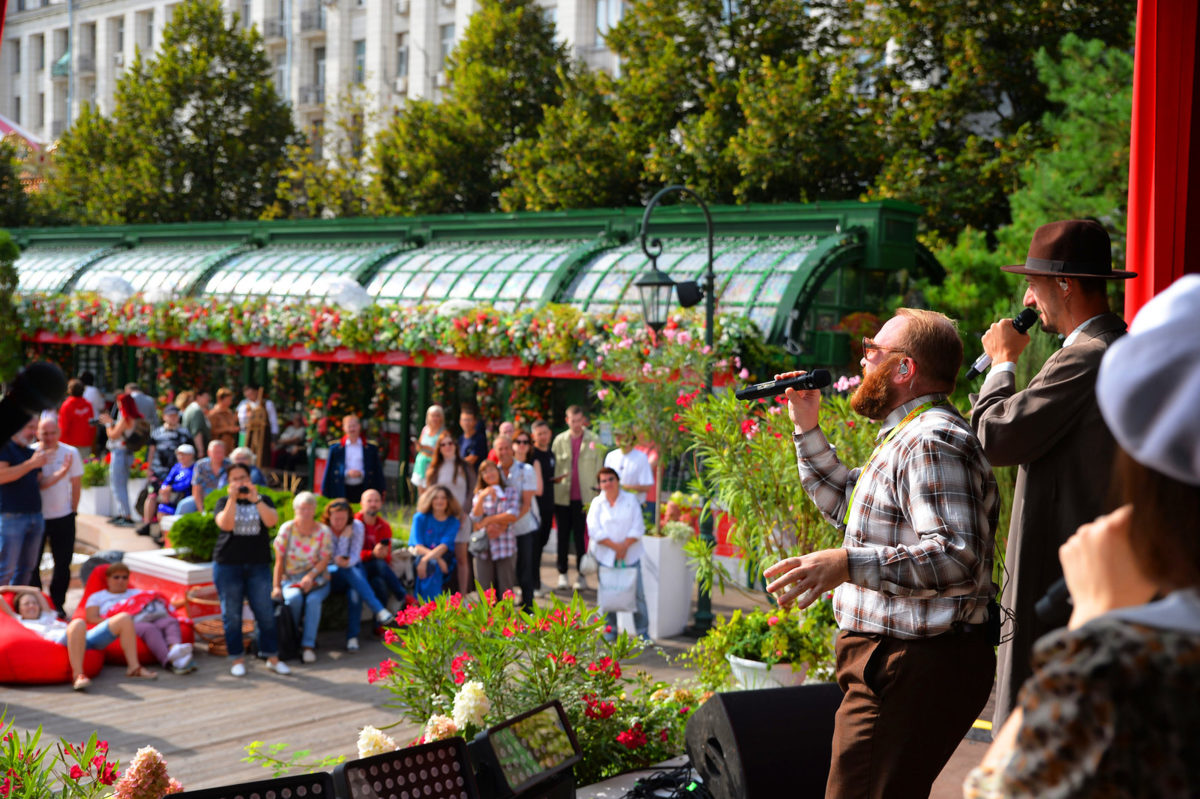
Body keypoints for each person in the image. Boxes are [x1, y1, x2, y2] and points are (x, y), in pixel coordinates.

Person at [965, 274, 1200, 798]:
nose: (1026, 299)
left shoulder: (1127, 661)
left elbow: (1000, 789)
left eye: (1033, 284)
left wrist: (1091, 630)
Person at [764, 308, 998, 799]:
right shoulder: (909, 433)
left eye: (873, 349)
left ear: (904, 368)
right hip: (899, 661)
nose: (864, 358)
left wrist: (847, 563)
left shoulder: (931, 439)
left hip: (909, 663)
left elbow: (956, 555)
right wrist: (807, 425)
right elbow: (850, 506)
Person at [969, 219, 1133, 726]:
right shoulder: (1112, 348)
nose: (1027, 297)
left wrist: (1001, 363)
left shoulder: (1087, 357)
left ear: (1064, 284)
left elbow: (994, 437)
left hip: (1058, 578)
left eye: (1034, 283)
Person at [213, 462, 290, 676]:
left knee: (265, 612)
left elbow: (271, 521)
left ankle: (272, 656)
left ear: (250, 479)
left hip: (258, 565)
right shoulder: (222, 501)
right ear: (229, 483)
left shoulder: (263, 499)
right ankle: (237, 658)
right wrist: (232, 499)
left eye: (243, 478)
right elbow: (226, 525)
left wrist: (255, 499)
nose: (239, 482)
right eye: (234, 479)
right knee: (232, 614)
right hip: (228, 565)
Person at [2, 585, 153, 690]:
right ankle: (78, 675)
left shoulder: (48, 614)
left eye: (34, 603)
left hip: (84, 638)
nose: (31, 606)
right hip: (62, 642)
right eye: (26, 604)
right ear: (19, 608)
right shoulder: (18, 619)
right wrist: (7, 590)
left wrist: (17, 589)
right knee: (78, 623)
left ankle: (134, 668)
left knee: (124, 618)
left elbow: (36, 590)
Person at [84, 561, 195, 674]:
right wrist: (118, 621)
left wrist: (187, 600)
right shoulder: (97, 597)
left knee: (169, 621)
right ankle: (169, 662)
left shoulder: (137, 592)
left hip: (148, 617)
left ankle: (175, 648)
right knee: (148, 628)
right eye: (116, 577)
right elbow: (91, 618)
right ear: (107, 579)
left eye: (124, 577)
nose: (120, 581)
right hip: (127, 623)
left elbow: (166, 605)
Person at [323, 498, 394, 651]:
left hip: (352, 571)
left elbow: (354, 556)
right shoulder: (324, 529)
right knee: (349, 570)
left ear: (349, 517)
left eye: (343, 519)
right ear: (329, 517)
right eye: (336, 519)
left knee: (355, 592)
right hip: (332, 575)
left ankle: (352, 638)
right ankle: (379, 610)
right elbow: (330, 560)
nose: (339, 522)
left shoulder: (357, 526)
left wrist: (342, 560)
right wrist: (343, 539)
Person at [588, 467, 649, 642]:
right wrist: (616, 548)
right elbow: (594, 530)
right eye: (603, 481)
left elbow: (638, 527)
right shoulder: (597, 504)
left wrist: (624, 547)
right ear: (599, 484)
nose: (607, 483)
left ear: (618, 480)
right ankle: (610, 630)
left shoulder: (631, 500)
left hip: (631, 555)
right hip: (606, 557)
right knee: (608, 595)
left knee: (638, 596)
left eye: (611, 479)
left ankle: (643, 632)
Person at [271, 492, 333, 665]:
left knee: (313, 601)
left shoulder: (323, 531)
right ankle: (293, 636)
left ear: (314, 510)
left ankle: (308, 646)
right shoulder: (287, 529)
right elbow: (279, 561)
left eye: (309, 508)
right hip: (291, 578)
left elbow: (325, 559)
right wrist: (276, 586)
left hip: (318, 579)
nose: (305, 512)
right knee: (293, 599)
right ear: (295, 509)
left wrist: (310, 576)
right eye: (302, 508)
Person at [551, 406, 605, 591]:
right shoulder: (559, 441)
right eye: (573, 421)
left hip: (586, 498)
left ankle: (582, 575)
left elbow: (600, 470)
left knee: (583, 538)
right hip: (562, 497)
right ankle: (562, 573)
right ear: (567, 420)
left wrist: (599, 495)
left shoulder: (594, 440)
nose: (576, 424)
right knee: (562, 537)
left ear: (584, 420)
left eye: (579, 420)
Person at [32, 417, 82, 613]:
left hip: (63, 516)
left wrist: (74, 509)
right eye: (45, 433)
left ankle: (57, 603)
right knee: (32, 564)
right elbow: (37, 484)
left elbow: (76, 484)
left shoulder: (70, 452)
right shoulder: (32, 452)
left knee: (63, 563)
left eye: (53, 433)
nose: (49, 437)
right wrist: (61, 472)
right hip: (37, 517)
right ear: (38, 433)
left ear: (59, 433)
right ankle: (35, 602)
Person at [424, 431, 474, 595]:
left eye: (450, 443)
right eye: (443, 444)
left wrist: (464, 512)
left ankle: (463, 595)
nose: (447, 447)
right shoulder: (434, 468)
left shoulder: (464, 467)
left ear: (455, 446)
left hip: (460, 518)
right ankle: (435, 595)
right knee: (438, 555)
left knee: (461, 558)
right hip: (440, 518)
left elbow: (471, 491)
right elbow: (429, 494)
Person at [0, 418, 48, 586]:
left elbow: (39, 482)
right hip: (11, 516)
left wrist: (63, 472)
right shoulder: (5, 448)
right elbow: (2, 476)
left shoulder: (30, 452)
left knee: (27, 569)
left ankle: (16, 607)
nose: (34, 432)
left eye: (35, 428)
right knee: (5, 569)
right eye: (29, 427)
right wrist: (31, 464)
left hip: (35, 515)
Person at [495, 433, 538, 611]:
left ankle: (528, 608)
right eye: (500, 449)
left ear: (512, 448)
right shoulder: (492, 471)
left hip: (523, 528)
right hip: (500, 532)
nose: (504, 452)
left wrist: (506, 523)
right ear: (495, 451)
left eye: (507, 448)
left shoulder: (526, 470)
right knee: (503, 572)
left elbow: (526, 504)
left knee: (525, 569)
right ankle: (502, 608)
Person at [140, 404, 193, 535]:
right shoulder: (157, 433)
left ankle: (164, 530)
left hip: (177, 474)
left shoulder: (184, 433)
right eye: (170, 415)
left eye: (175, 416)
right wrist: (149, 468)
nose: (173, 418)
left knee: (172, 499)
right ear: (164, 417)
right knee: (152, 496)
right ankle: (147, 524)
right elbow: (151, 451)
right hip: (159, 471)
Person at [469, 460, 519, 596]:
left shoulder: (510, 491)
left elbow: (512, 515)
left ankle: (506, 617)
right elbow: (476, 520)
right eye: (485, 472)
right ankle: (487, 618)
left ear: (498, 471)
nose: (489, 474)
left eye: (491, 470)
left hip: (505, 545)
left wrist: (489, 520)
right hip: (484, 547)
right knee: (485, 592)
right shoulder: (480, 494)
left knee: (506, 590)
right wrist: (482, 497)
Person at [409, 485, 461, 601]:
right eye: (436, 498)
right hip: (423, 557)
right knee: (432, 564)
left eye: (443, 498)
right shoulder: (420, 518)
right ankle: (427, 607)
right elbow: (417, 545)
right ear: (430, 500)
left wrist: (428, 559)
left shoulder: (453, 521)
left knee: (432, 565)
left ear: (448, 501)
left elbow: (444, 546)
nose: (440, 501)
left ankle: (430, 608)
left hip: (445, 559)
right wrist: (430, 559)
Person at [356, 488, 407, 607]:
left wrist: (382, 554)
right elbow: (351, 555)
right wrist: (371, 554)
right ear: (361, 504)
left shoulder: (384, 526)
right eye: (369, 501)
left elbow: (387, 558)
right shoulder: (354, 524)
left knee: (379, 583)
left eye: (376, 501)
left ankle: (380, 624)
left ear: (381, 503)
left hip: (376, 568)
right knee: (378, 564)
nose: (373, 504)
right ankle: (402, 596)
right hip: (357, 567)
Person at [100, 392, 143, 526]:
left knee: (118, 485)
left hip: (120, 453)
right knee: (120, 484)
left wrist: (108, 424)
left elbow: (113, 435)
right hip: (125, 453)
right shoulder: (131, 417)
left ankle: (126, 515)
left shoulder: (125, 418)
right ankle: (122, 513)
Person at [320, 415, 384, 504]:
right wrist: (346, 473)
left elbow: (377, 470)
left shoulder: (370, 448)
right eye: (349, 426)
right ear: (344, 428)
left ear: (359, 426)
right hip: (342, 487)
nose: (352, 429)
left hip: (364, 486)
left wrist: (361, 473)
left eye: (354, 426)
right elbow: (329, 470)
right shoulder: (336, 448)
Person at [527, 420, 556, 597]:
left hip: (549, 504)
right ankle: (534, 584)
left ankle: (536, 581)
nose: (543, 436)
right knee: (535, 546)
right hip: (536, 507)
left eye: (545, 433)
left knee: (542, 543)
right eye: (539, 434)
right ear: (533, 436)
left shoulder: (550, 454)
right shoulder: (533, 455)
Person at [604, 430, 655, 512]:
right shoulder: (611, 456)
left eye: (621, 435)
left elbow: (646, 487)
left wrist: (622, 487)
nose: (617, 438)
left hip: (635, 507)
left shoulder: (641, 457)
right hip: (613, 506)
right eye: (616, 435)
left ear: (630, 437)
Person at [176, 439, 229, 516]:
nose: (218, 455)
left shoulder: (230, 466)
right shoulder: (201, 465)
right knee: (184, 505)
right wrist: (202, 511)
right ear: (209, 453)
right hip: (202, 499)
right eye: (215, 452)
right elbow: (196, 490)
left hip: (222, 501)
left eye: (220, 452)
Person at [238, 384, 277, 469]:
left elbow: (273, 422)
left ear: (257, 392)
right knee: (248, 456)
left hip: (264, 434)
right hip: (250, 434)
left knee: (264, 457)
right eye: (247, 393)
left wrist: (273, 439)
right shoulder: (244, 406)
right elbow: (242, 425)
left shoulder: (267, 404)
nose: (249, 395)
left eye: (251, 393)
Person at [154, 444, 195, 517]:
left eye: (183, 455)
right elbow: (167, 480)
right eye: (179, 455)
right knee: (161, 508)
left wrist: (171, 488)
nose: (181, 457)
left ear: (191, 455)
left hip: (186, 500)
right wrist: (164, 489)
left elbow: (187, 484)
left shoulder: (195, 468)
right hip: (172, 499)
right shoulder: (177, 467)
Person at [411, 405, 445, 491]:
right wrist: (418, 445)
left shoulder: (443, 433)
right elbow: (419, 449)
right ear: (428, 417)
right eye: (432, 416)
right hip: (421, 464)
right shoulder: (425, 429)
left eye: (437, 416)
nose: (435, 418)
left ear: (441, 417)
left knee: (431, 492)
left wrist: (429, 448)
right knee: (421, 493)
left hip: (433, 465)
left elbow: (444, 452)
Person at [58, 379, 97, 451]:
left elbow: (63, 426)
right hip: (85, 442)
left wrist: (60, 443)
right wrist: (91, 441)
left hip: (68, 444)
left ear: (69, 390)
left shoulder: (66, 405)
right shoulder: (88, 405)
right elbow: (92, 425)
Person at [207, 388, 239, 454]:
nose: (230, 402)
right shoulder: (213, 414)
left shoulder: (229, 412)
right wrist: (227, 429)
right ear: (220, 399)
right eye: (228, 400)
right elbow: (211, 431)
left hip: (230, 446)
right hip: (219, 448)